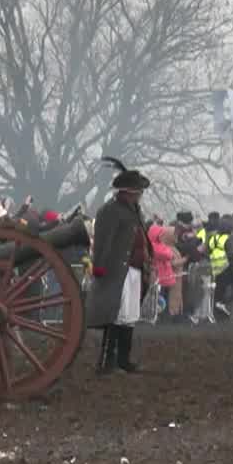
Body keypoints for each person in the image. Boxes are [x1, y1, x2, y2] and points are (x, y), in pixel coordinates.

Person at [87, 158, 152, 374]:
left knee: (129, 316)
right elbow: (103, 241)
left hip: (134, 269)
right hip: (117, 269)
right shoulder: (110, 211)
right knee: (114, 315)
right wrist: (100, 266)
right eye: (137, 191)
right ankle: (106, 362)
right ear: (127, 192)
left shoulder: (134, 211)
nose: (139, 195)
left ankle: (124, 360)